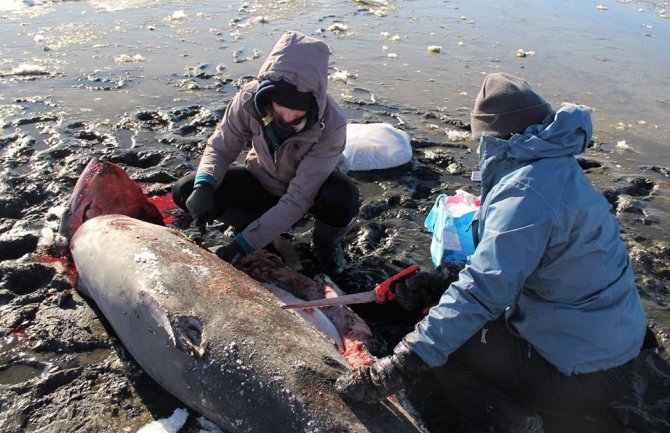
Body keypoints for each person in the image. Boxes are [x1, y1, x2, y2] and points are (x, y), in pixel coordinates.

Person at [336, 73, 651, 433]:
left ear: (492, 136)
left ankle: (510, 422)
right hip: (612, 349)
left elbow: (482, 293)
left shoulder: (525, 192)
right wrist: (443, 278)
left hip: (584, 379)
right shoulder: (556, 167)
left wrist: (396, 369)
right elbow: (516, 261)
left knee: (449, 342)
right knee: (455, 312)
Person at [172, 31, 359, 274]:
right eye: (281, 111)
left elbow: (300, 196)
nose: (289, 119)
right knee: (184, 189)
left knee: (342, 195)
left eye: (298, 114)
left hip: (312, 193)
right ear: (267, 98)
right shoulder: (248, 99)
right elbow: (220, 147)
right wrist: (204, 185)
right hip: (263, 180)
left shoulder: (332, 123)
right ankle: (255, 226)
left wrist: (241, 246)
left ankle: (325, 244)